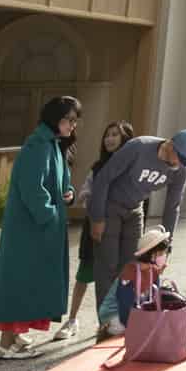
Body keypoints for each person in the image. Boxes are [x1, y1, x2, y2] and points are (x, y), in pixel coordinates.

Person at [0, 93, 80, 361]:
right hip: (30, 230)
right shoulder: (38, 146)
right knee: (20, 282)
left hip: (37, 229)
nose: (73, 125)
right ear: (54, 118)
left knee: (27, 282)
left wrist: (68, 193)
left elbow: (58, 182)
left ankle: (14, 338)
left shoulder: (52, 144)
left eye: (75, 120)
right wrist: (50, 215)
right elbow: (32, 189)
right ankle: (6, 345)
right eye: (69, 119)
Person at [88, 128, 186, 326]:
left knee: (132, 266)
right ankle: (106, 324)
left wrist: (165, 246)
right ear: (170, 145)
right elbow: (104, 178)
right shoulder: (139, 147)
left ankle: (126, 321)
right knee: (108, 266)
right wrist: (97, 218)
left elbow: (172, 207)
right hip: (110, 206)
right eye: (180, 157)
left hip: (135, 209)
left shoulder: (181, 169)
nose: (181, 164)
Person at [54, 119, 134, 342]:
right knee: (84, 274)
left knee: (117, 277)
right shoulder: (98, 167)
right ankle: (72, 320)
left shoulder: (132, 168)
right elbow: (84, 193)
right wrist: (97, 205)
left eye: (115, 135)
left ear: (126, 139)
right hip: (96, 228)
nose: (109, 139)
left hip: (121, 231)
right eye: (107, 135)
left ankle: (115, 321)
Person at [96, 222, 176, 334]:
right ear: (150, 254)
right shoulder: (130, 273)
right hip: (114, 313)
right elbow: (125, 305)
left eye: (165, 253)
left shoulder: (153, 271)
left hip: (134, 310)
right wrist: (134, 327)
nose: (164, 256)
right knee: (125, 330)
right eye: (161, 253)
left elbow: (154, 299)